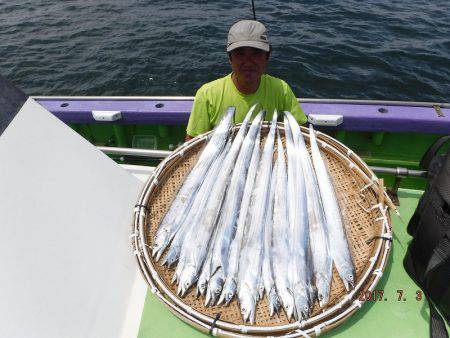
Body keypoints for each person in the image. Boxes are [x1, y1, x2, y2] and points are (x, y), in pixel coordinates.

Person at [186, 19, 307, 140]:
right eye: (240, 54)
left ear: (267, 57)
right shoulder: (207, 95)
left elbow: (301, 135)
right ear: (230, 58)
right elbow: (192, 144)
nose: (248, 62)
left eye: (256, 53)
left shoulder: (281, 89)